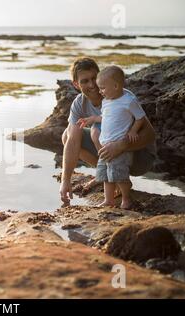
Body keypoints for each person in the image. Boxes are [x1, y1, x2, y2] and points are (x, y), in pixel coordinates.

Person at [60, 57, 156, 206]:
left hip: (141, 156)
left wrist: (121, 145)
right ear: (76, 85)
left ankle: (116, 178)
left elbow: (150, 134)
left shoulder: (121, 95)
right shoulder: (79, 103)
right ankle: (108, 177)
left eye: (94, 78)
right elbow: (72, 141)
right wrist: (66, 181)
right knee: (68, 135)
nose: (92, 85)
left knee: (95, 131)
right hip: (113, 153)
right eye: (85, 81)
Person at [94, 65, 146, 209]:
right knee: (106, 175)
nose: (100, 91)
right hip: (106, 146)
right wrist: (92, 119)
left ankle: (126, 199)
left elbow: (140, 117)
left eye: (103, 88)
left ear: (116, 86)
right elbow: (105, 118)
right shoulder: (106, 101)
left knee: (119, 174)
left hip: (119, 147)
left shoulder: (128, 100)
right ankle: (108, 200)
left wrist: (133, 131)